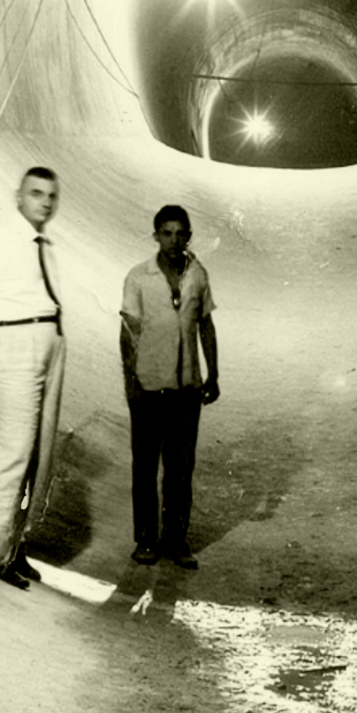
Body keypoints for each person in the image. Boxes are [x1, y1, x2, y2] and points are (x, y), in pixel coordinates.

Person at [0, 167, 67, 590]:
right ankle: (0, 552)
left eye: (51, 195)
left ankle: (16, 545)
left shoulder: (44, 245)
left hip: (47, 345)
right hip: (11, 343)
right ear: (18, 196)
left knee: (39, 455)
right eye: (36, 193)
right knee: (12, 451)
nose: (45, 202)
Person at [119, 204, 220, 569]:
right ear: (156, 236)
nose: (174, 240)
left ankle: (176, 541)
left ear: (189, 237)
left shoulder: (198, 275)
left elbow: (205, 325)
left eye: (181, 234)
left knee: (180, 470)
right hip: (148, 387)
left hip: (187, 389)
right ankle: (146, 540)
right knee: (145, 468)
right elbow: (128, 334)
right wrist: (131, 383)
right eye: (167, 233)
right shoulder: (138, 277)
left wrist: (213, 373)